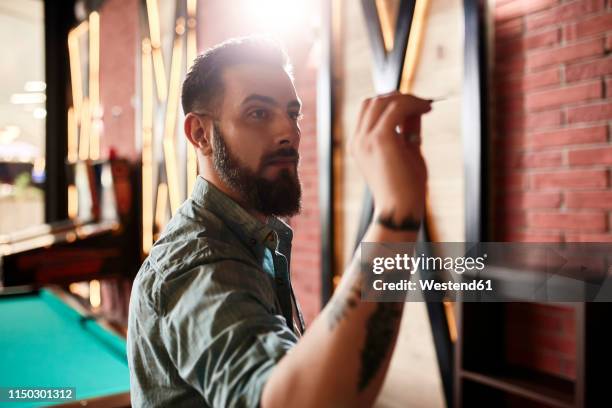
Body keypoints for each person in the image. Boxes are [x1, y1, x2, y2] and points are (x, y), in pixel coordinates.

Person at [127, 36, 431, 407]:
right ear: (201, 134)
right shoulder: (195, 263)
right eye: (258, 113)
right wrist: (395, 213)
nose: (288, 132)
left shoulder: (254, 238)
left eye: (292, 113)